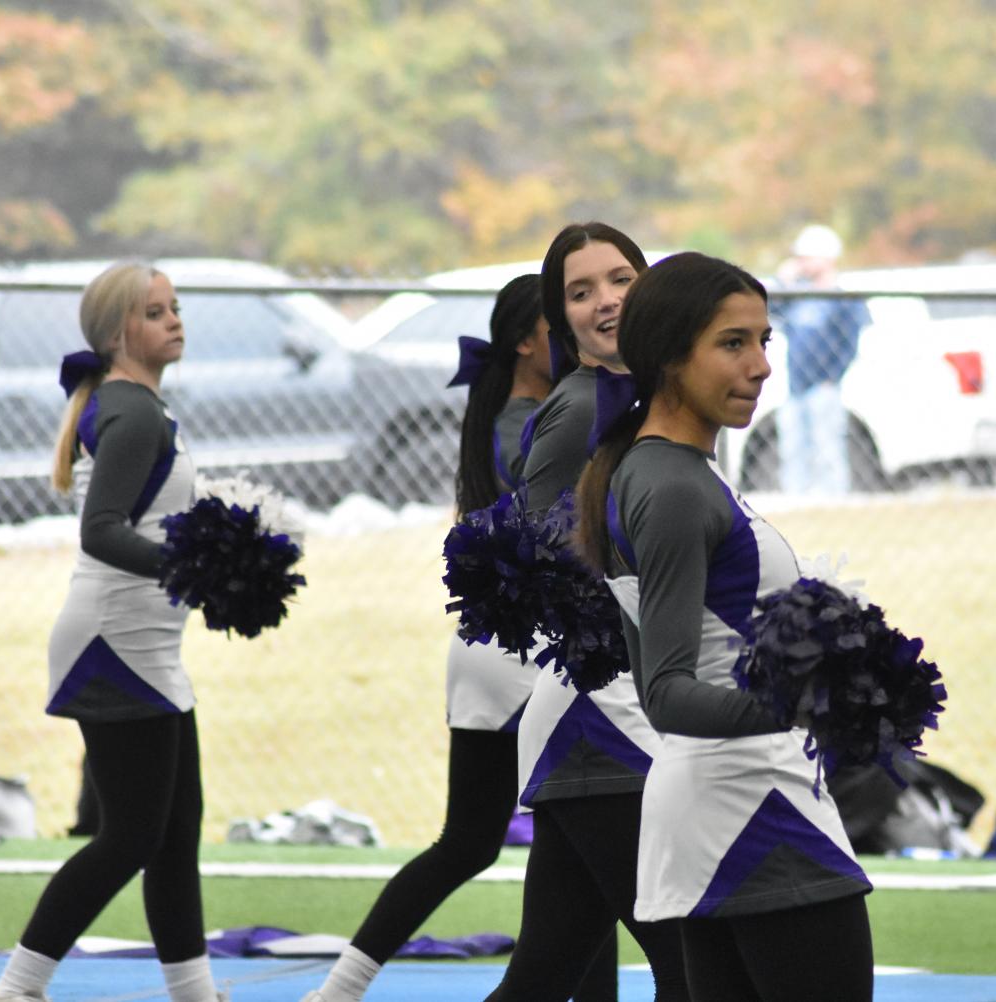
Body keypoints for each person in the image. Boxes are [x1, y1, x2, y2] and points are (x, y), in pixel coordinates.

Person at [301, 276, 617, 1002]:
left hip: (502, 646)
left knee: (536, 846)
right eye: (560, 323)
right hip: (523, 650)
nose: (575, 335)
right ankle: (339, 989)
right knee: (538, 841)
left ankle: (340, 988)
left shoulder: (521, 413)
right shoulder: (530, 423)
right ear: (525, 341)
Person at [576, 252, 874, 1001]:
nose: (763, 366)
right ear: (670, 356)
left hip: (726, 801)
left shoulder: (664, 470)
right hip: (754, 807)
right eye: (733, 344)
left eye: (764, 340)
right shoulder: (671, 485)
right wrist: (810, 700)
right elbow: (669, 691)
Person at [0, 262, 225, 1002]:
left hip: (144, 643)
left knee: (176, 828)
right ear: (119, 333)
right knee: (130, 836)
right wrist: (191, 569)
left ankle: (193, 992)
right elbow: (101, 532)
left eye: (175, 307)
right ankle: (17, 987)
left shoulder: (133, 405)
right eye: (156, 312)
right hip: (115, 643)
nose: (174, 320)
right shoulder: (132, 412)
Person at [483, 223, 688, 1001]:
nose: (604, 302)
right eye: (580, 291)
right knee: (689, 958)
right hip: (597, 714)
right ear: (559, 318)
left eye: (619, 280)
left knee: (543, 974)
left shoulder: (649, 395)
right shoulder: (582, 407)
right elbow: (528, 557)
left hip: (621, 710)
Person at [773, 223, 870, 496]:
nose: (800, 263)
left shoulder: (842, 298)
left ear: (827, 258)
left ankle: (833, 497)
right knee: (793, 448)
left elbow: (849, 344)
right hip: (795, 386)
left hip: (824, 386)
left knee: (827, 447)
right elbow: (768, 312)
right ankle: (797, 498)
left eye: (807, 257)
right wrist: (782, 284)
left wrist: (832, 378)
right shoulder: (796, 294)